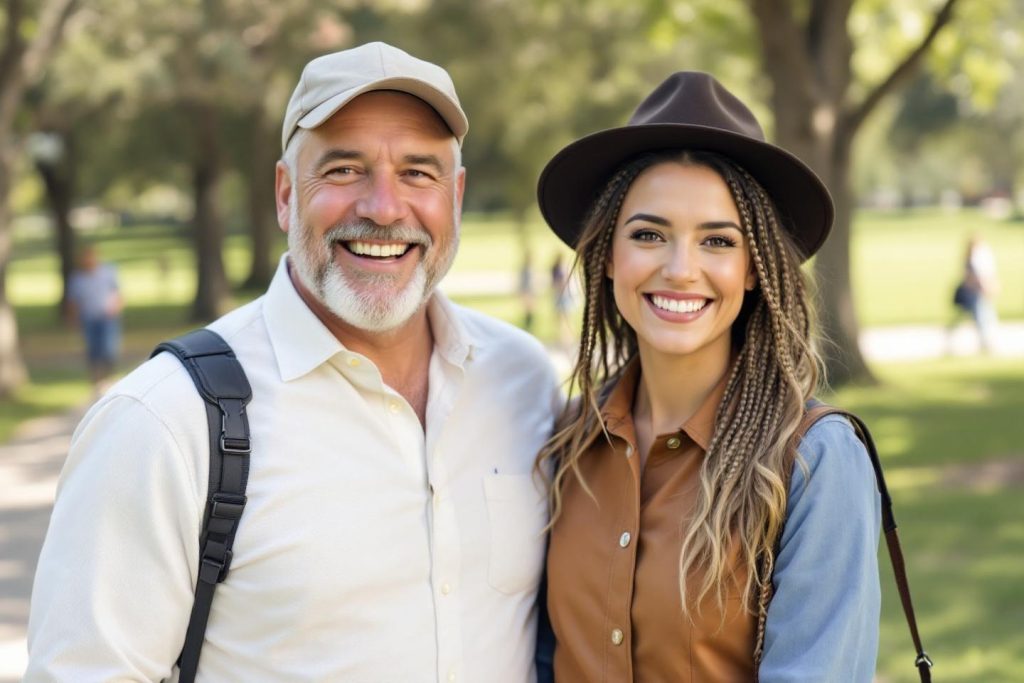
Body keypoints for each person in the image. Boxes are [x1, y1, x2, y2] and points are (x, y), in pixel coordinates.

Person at [27, 42, 560, 682]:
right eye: (343, 170)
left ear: (458, 197)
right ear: (284, 194)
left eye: (419, 172)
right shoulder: (164, 422)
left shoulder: (521, 379)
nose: (384, 208)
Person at [534, 72, 881, 680]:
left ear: (753, 270)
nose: (680, 269)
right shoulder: (567, 442)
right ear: (608, 256)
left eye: (717, 241)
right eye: (648, 234)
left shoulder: (814, 459)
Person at [65, 244, 123, 393]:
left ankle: (108, 377)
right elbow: (74, 301)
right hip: (89, 318)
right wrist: (74, 319)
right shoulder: (77, 279)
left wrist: (116, 307)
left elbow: (117, 292)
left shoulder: (108, 272)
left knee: (109, 349)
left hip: (107, 317)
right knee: (93, 350)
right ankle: (96, 380)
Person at [949, 233, 1000, 353]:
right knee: (980, 317)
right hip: (972, 293)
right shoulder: (971, 260)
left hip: (976, 292)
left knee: (982, 316)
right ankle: (985, 343)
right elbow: (971, 278)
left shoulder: (976, 258)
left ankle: (986, 342)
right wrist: (984, 286)